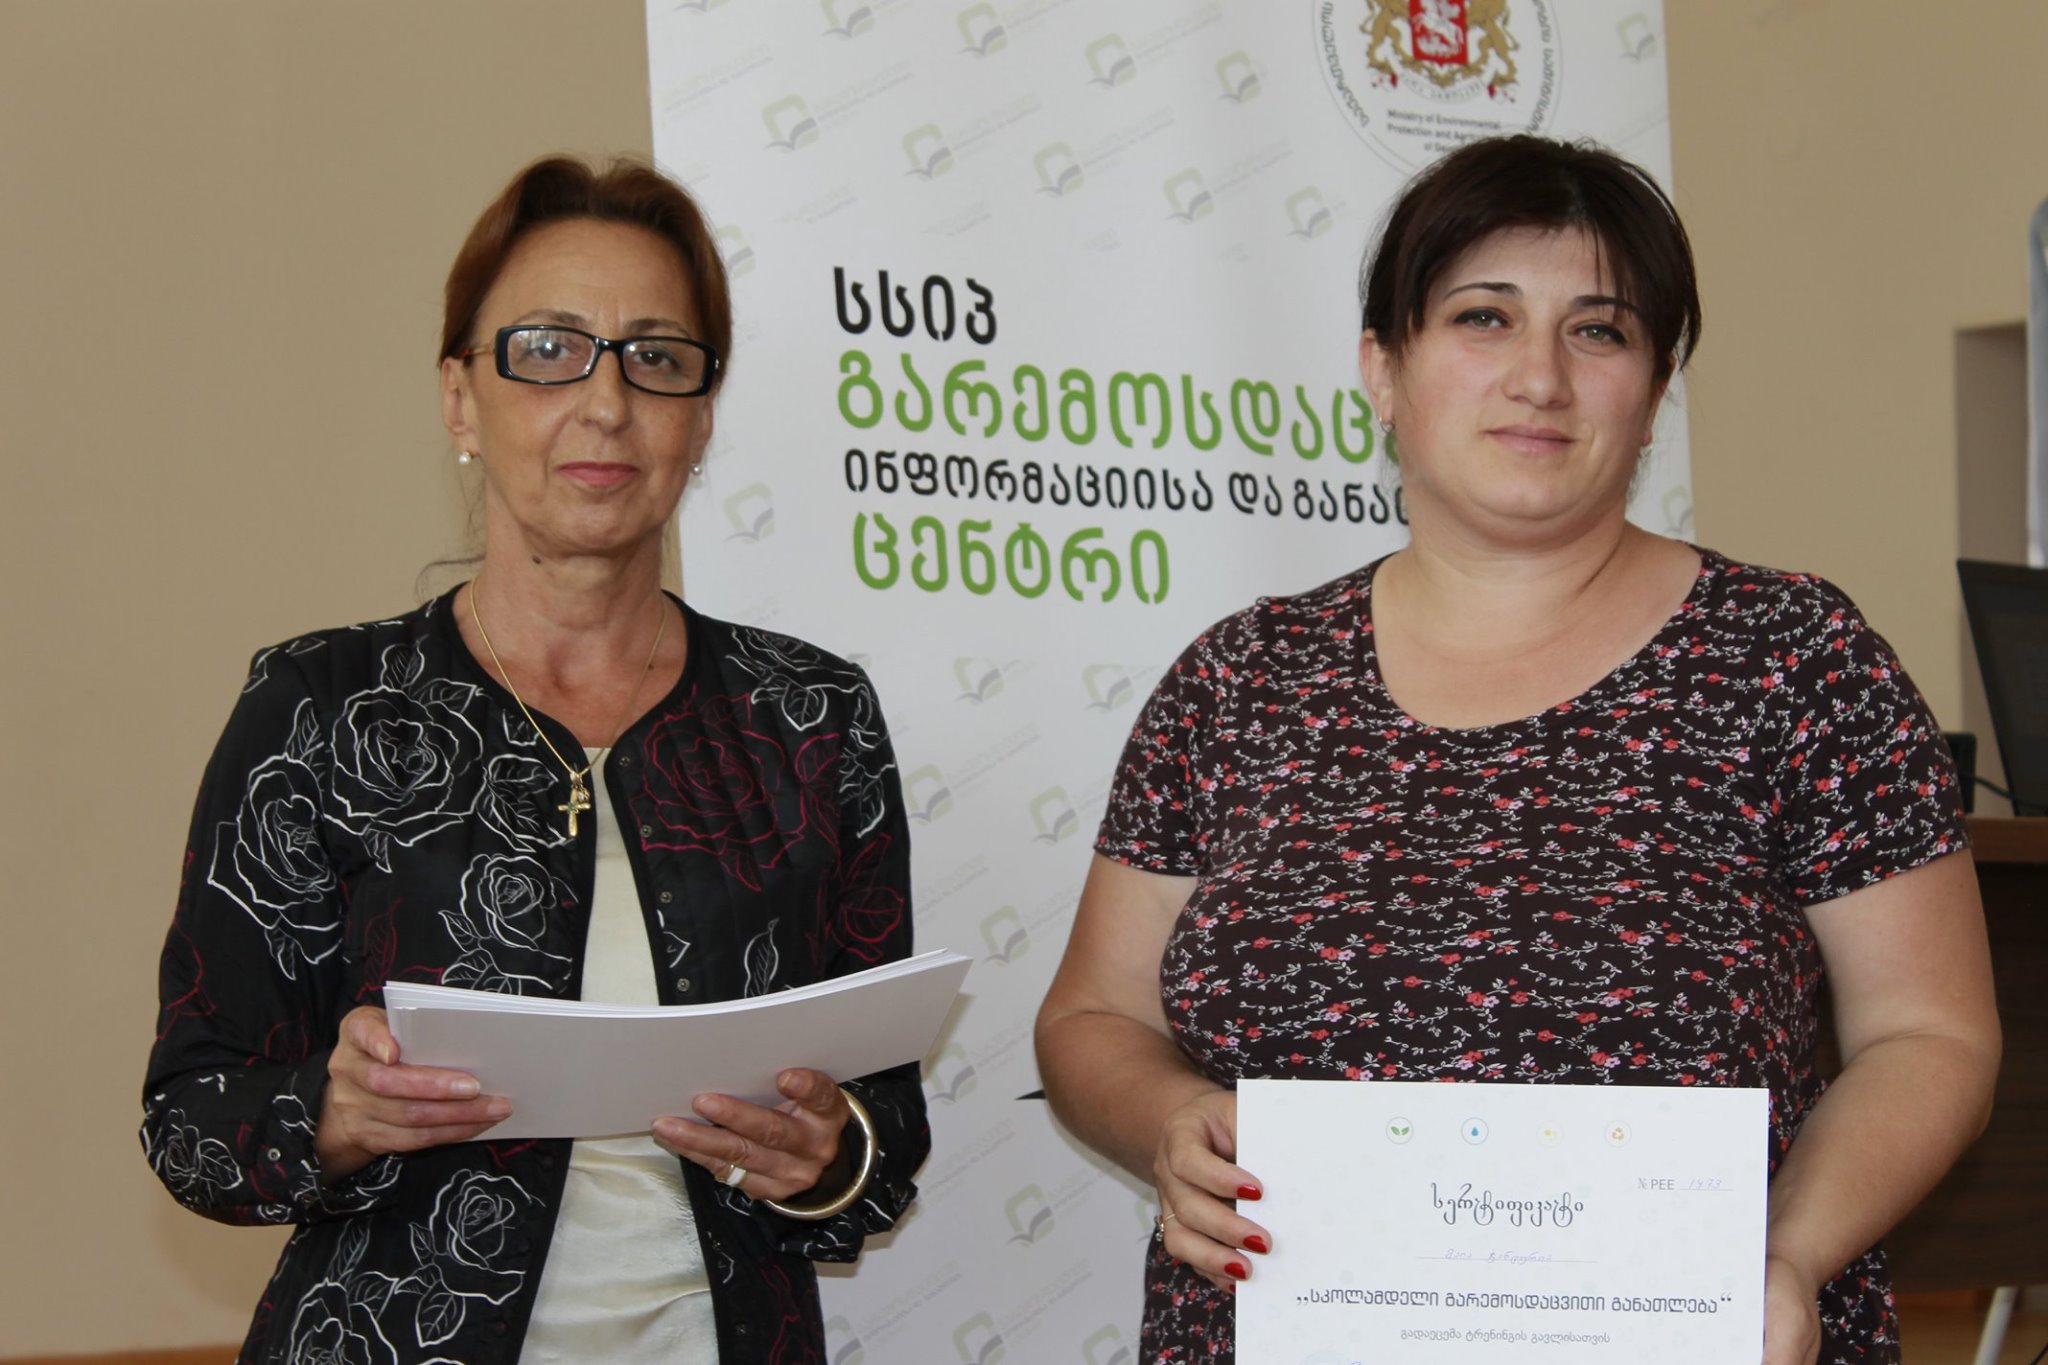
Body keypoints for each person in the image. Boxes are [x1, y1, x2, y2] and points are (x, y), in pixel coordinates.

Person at [1034, 134, 2000, 1365]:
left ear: (1653, 391)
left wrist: (1786, 1257)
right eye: (1482, 317)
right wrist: (1171, 1120)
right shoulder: (1237, 681)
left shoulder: (1791, 657)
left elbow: (1928, 1036)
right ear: (1382, 369)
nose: (1538, 377)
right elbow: (1091, 1016)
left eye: (1598, 331)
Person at [141, 156, 925, 1364]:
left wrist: (828, 1155)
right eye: (547, 350)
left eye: (655, 357)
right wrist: (335, 1115)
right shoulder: (320, 705)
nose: (605, 403)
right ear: (460, 398)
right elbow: (192, 1120)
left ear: (702, 415)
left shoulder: (812, 718)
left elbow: (883, 1136)